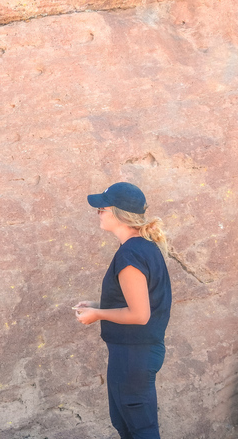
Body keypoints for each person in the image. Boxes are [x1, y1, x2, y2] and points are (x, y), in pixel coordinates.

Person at [74, 182, 172, 439]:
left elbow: (140, 315)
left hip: (133, 356)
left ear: (119, 214)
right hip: (134, 354)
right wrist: (97, 306)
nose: (98, 213)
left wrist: (98, 315)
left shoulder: (130, 255)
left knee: (141, 430)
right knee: (126, 424)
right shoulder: (143, 248)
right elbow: (138, 303)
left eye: (102, 209)